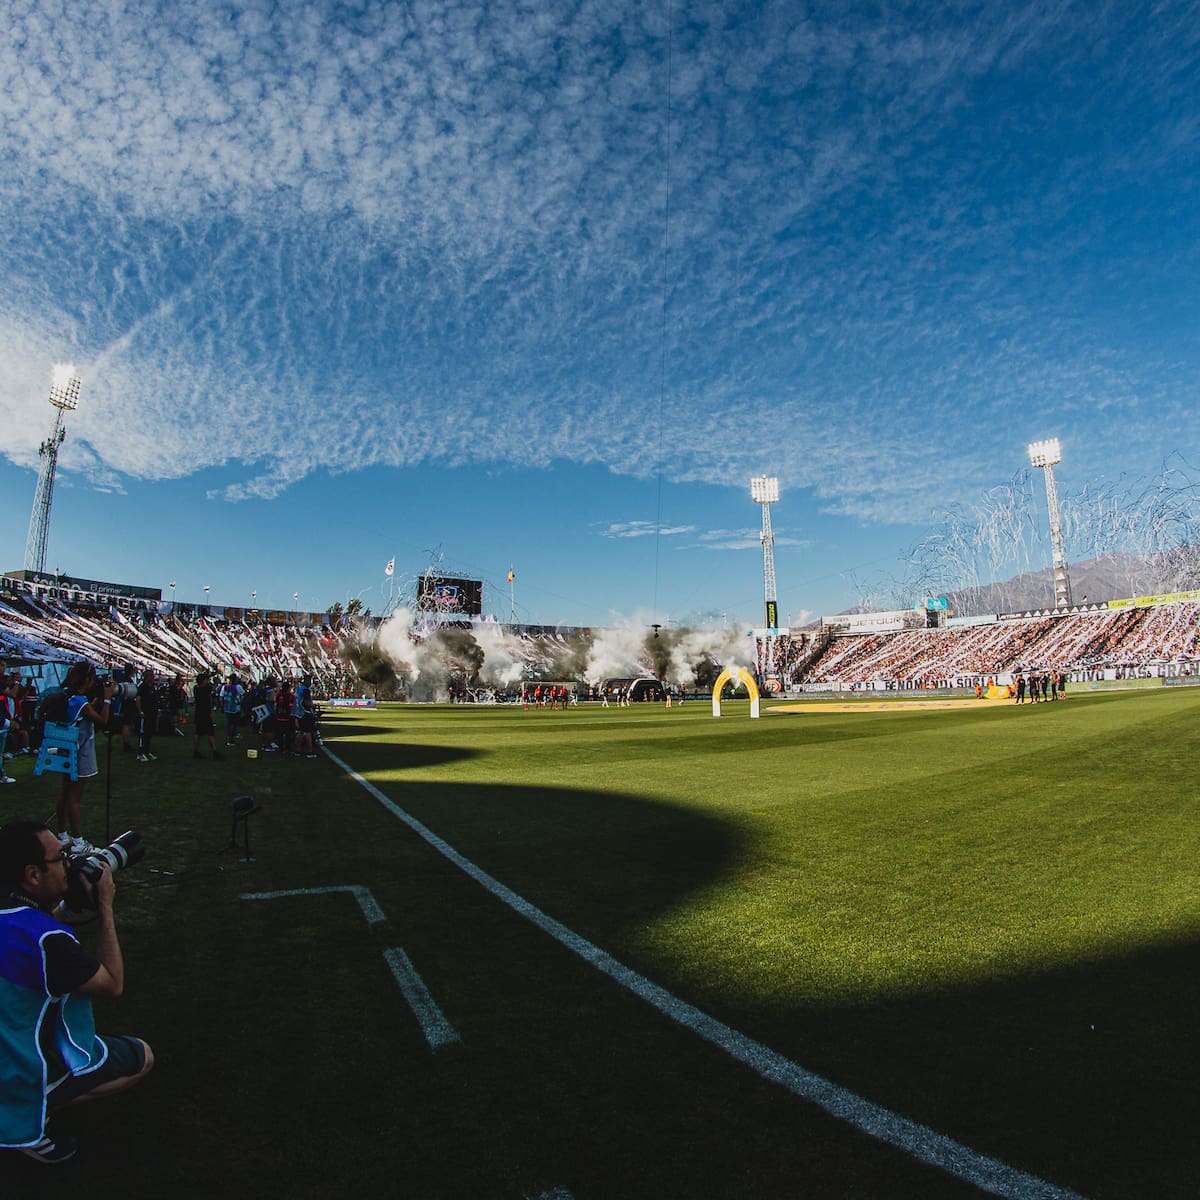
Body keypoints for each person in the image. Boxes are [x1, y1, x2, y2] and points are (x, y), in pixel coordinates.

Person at [0, 819, 153, 1163]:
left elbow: (26, 922)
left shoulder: (16, 918)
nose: (69, 864)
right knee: (142, 1057)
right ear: (33, 875)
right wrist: (106, 908)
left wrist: (67, 910)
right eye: (60, 859)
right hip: (15, 1069)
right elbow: (112, 983)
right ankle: (30, 1113)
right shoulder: (46, 941)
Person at [56, 664, 114, 855]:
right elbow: (102, 721)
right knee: (74, 797)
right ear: (87, 680)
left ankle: (63, 835)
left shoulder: (69, 697)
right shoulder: (81, 702)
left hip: (67, 749)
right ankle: (79, 841)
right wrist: (106, 700)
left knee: (65, 793)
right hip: (80, 753)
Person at [191, 671, 223, 760]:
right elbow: (214, 686)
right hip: (205, 713)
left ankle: (196, 751)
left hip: (198, 712)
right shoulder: (206, 689)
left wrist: (208, 676)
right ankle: (214, 751)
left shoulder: (196, 688)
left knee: (198, 732)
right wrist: (215, 680)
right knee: (210, 733)